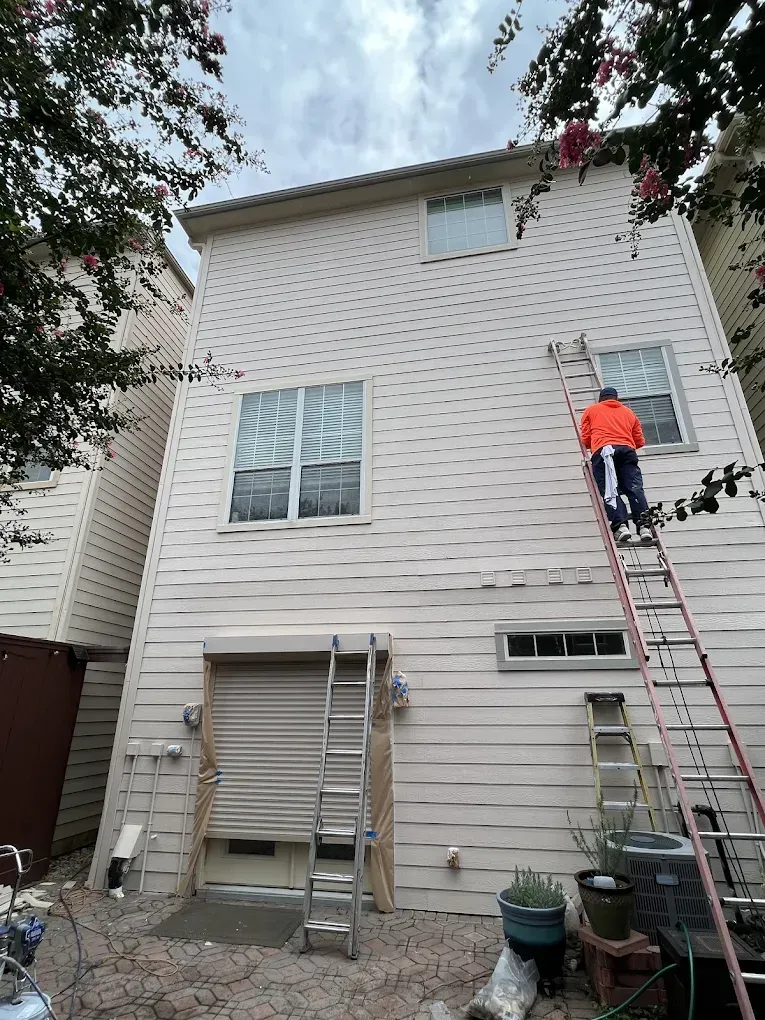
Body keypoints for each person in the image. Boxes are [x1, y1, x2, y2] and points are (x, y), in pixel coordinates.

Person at [580, 386, 652, 545]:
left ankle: (621, 526)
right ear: (616, 399)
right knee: (634, 488)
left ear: (601, 400)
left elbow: (585, 439)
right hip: (627, 451)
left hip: (604, 452)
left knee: (610, 488)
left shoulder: (591, 411)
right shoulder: (629, 412)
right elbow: (639, 441)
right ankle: (644, 526)